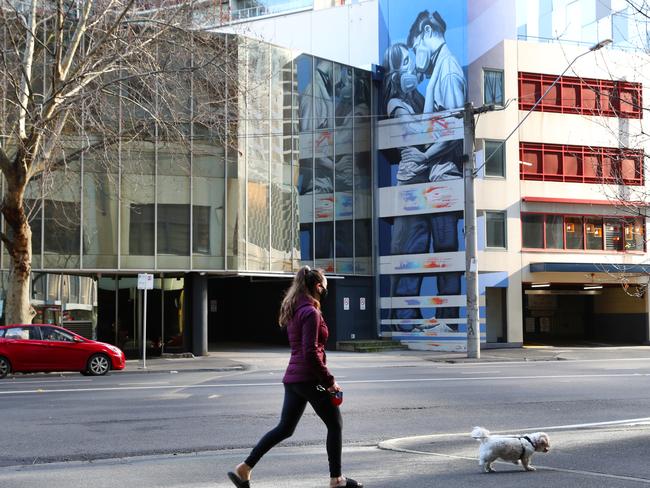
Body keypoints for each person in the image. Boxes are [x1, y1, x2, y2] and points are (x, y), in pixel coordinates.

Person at [227, 266, 362, 488]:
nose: (326, 290)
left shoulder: (296, 309)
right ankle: (337, 479)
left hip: (294, 380)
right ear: (318, 287)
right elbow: (310, 353)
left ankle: (244, 469)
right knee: (335, 424)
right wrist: (329, 382)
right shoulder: (311, 313)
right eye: (325, 286)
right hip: (310, 380)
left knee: (285, 428)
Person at [386, 10, 466, 324]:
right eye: (406, 61)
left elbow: (454, 125)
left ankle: (446, 317)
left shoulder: (445, 72)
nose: (416, 62)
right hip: (428, 179)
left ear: (427, 32)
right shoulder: (416, 91)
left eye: (414, 51)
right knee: (418, 248)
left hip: (441, 177)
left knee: (442, 249)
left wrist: (426, 155)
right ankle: (417, 313)